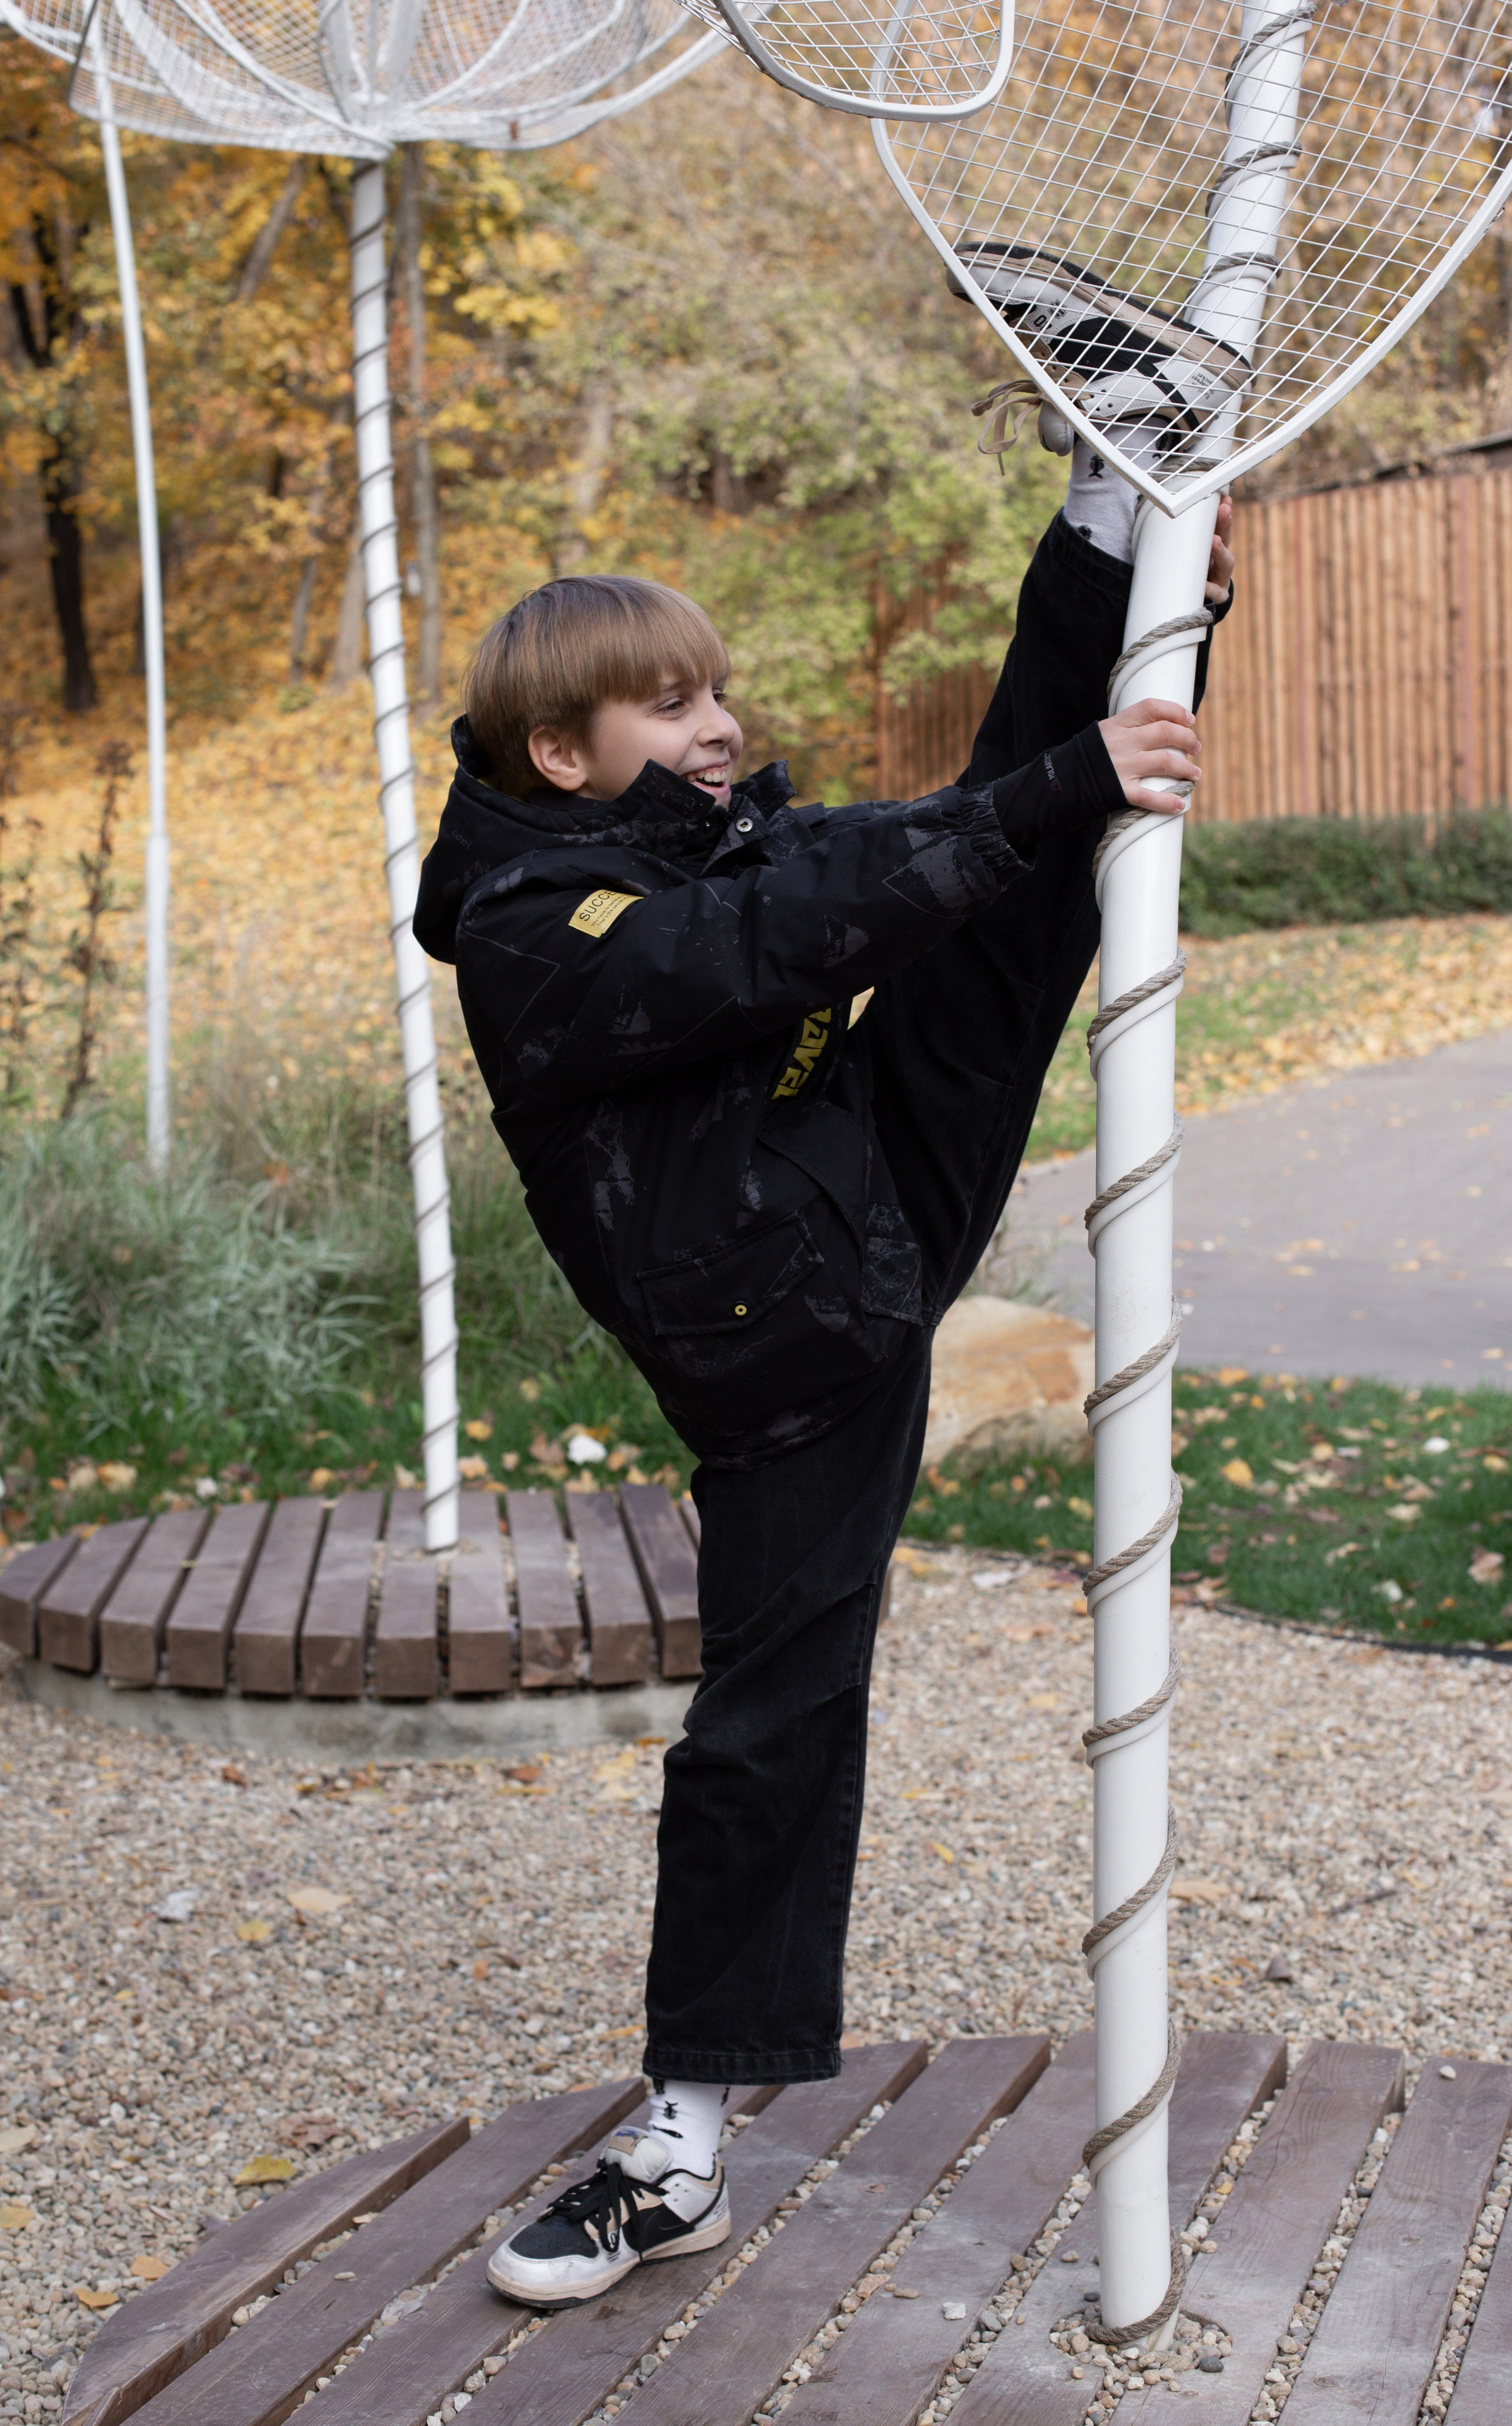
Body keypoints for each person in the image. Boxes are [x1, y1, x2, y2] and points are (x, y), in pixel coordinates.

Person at [412, 431, 1233, 2312]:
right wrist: (1038, 796)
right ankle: (683, 2145)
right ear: (561, 752)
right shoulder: (533, 935)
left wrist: (1130, 627)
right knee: (770, 1724)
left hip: (866, 1182)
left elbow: (876, 860)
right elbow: (768, 932)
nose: (720, 724)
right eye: (670, 703)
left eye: (718, 691)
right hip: (790, 1361)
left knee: (1019, 864)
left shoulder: (678, 835)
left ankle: (1119, 500)